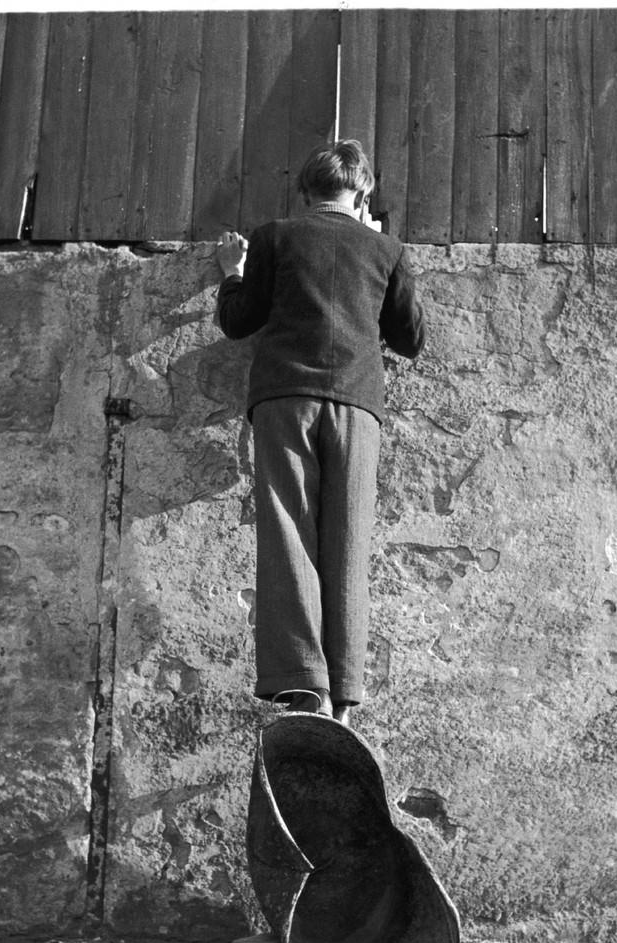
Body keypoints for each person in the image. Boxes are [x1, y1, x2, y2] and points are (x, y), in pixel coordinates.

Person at [215, 139, 425, 727]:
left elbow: (239, 322)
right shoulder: (385, 248)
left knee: (289, 533)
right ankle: (347, 696)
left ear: (305, 192)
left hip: (284, 398)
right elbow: (412, 339)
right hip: (357, 405)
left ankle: (302, 685)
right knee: (348, 543)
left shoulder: (276, 236)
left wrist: (232, 274)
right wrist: (377, 241)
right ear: (361, 194)